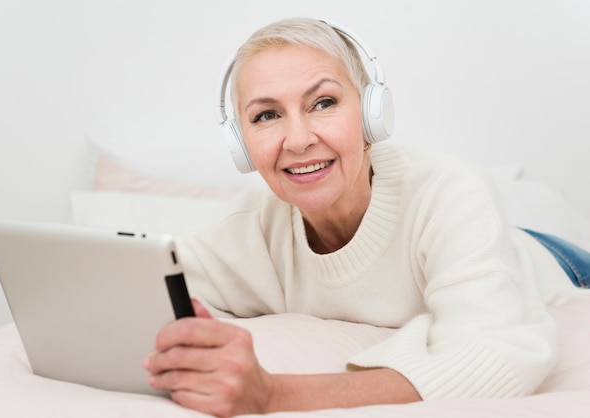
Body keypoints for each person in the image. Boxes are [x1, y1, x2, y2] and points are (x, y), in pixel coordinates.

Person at [142, 17, 590, 417]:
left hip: (556, 261)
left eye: (323, 103)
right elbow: (142, 288)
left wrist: (272, 395)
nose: (297, 140)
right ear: (241, 144)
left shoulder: (450, 192)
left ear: (372, 116)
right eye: (267, 115)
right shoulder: (248, 226)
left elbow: (499, 353)